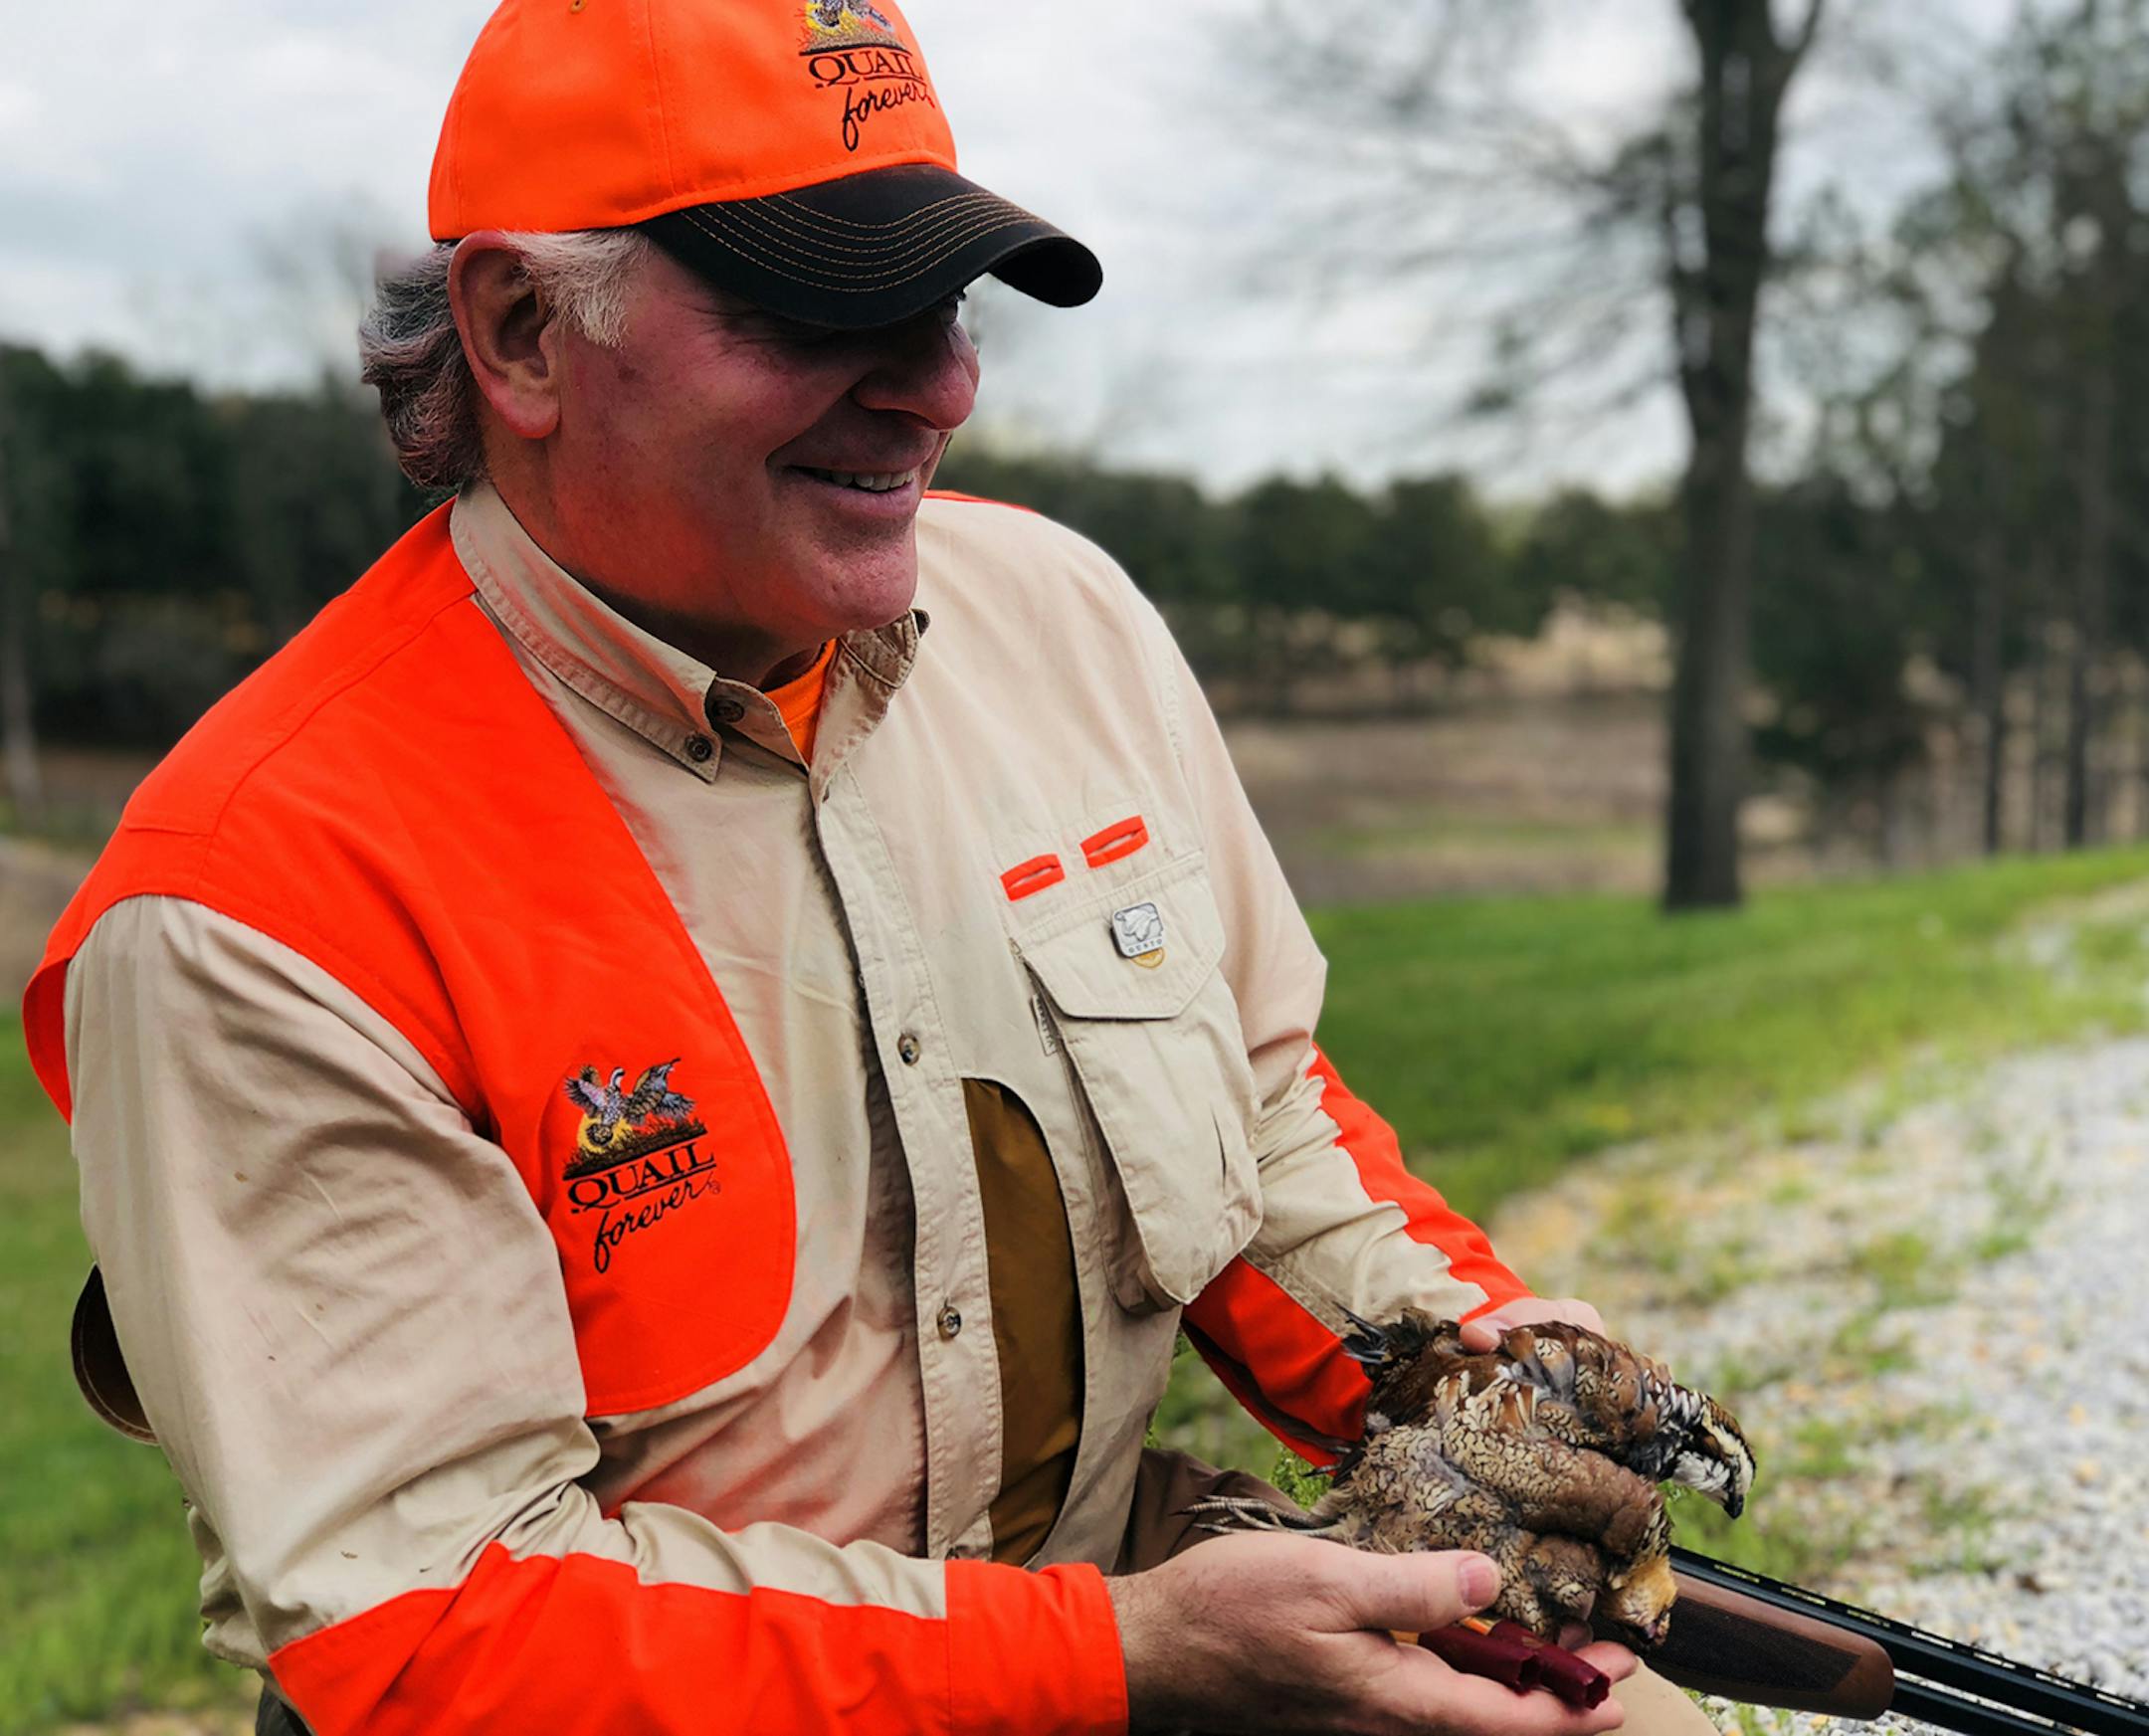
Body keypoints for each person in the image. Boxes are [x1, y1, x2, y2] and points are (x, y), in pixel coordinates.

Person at [23, 3, 1716, 1732]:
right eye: (821, 306)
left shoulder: (1062, 616)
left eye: (944, 301)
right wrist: (1121, 1656)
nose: (940, 383)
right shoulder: (262, 895)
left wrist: (1474, 1370)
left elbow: (1260, 1117)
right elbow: (447, 1630)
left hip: (1116, 1618)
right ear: (521, 332)